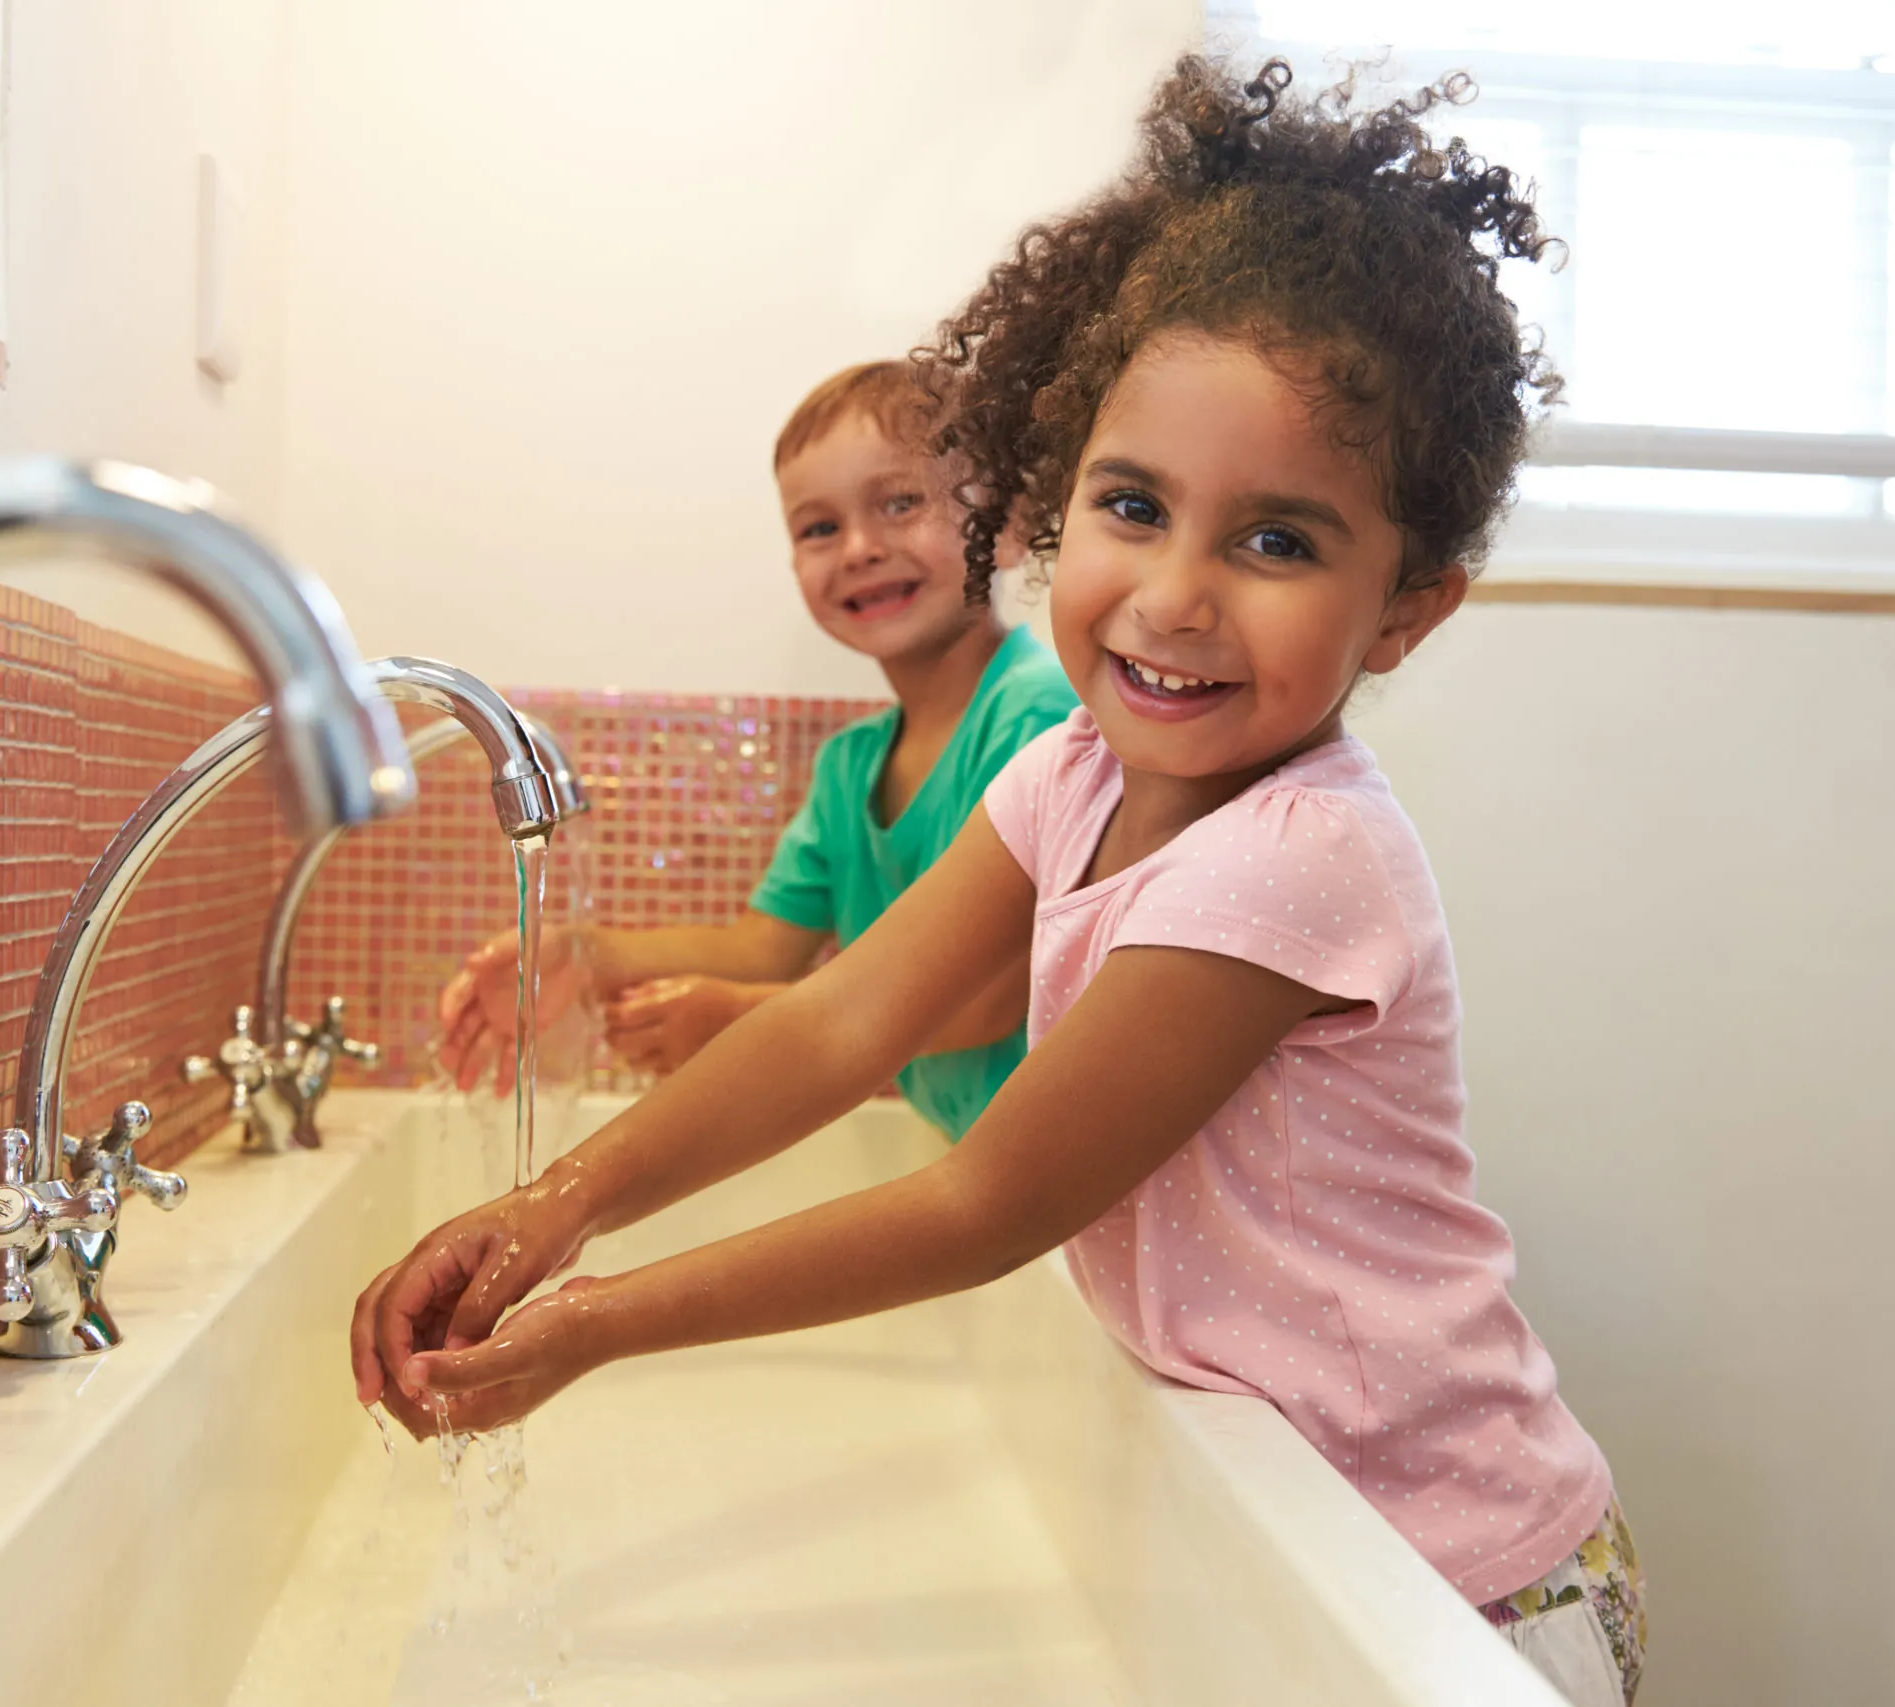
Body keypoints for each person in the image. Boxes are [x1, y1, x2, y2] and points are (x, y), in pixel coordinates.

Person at [361, 56, 1644, 1706]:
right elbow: (838, 1023)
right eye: (1134, 507)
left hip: (1456, 1578)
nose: (1173, 597)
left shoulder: (1294, 863)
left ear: (1404, 609)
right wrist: (554, 1207)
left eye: (1277, 542)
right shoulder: (1075, 773)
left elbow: (989, 1198)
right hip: (1283, 1520)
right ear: (1052, 508)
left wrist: (594, 1319)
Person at [435, 359, 1078, 1138]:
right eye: (819, 527)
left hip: (1067, 1171)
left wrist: (742, 1019)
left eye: (901, 502)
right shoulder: (851, 767)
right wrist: (584, 955)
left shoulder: (1038, 716)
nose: (859, 547)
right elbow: (763, 945)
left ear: (1007, 527)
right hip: (983, 1163)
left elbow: (985, 999)